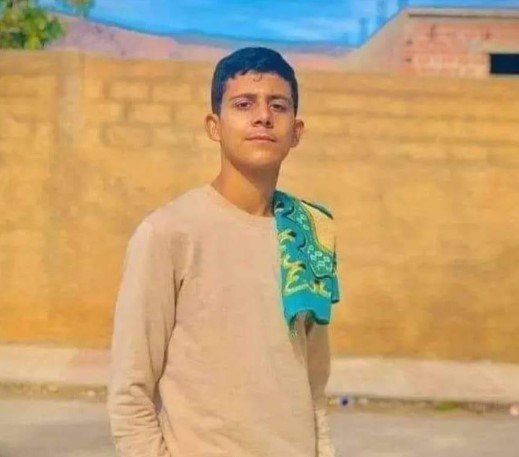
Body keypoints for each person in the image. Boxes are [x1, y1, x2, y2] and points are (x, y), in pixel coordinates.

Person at [107, 46, 340, 457]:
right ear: (214, 126)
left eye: (278, 105)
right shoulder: (169, 233)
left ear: (296, 131)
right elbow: (130, 390)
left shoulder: (308, 233)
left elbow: (314, 384)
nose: (263, 116)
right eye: (244, 104)